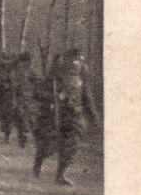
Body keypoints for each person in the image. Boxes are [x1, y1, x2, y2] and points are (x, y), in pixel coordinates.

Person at [33, 49, 99, 185]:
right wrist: (55, 97)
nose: (76, 64)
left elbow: (87, 100)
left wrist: (94, 118)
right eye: (73, 61)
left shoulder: (82, 82)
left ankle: (61, 175)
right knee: (50, 145)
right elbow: (38, 94)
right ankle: (39, 160)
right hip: (55, 116)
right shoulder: (54, 79)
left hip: (74, 116)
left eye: (79, 61)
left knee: (72, 145)